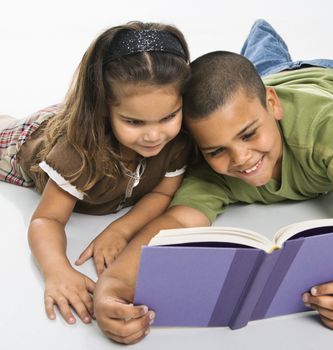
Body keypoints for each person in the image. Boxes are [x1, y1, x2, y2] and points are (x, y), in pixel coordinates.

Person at [93, 19, 333, 344]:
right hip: (272, 80)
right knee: (262, 71)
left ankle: (266, 44)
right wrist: (113, 285)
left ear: (273, 106)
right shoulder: (212, 162)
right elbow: (177, 221)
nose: (240, 159)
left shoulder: (329, 128)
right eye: (216, 150)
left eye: (249, 134)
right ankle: (263, 35)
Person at [0, 21, 192, 325]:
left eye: (168, 116)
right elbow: (46, 219)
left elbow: (162, 192)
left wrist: (120, 229)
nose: (154, 135)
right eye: (135, 122)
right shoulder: (79, 153)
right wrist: (58, 271)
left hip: (68, 118)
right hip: (24, 145)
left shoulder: (178, 139)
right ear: (104, 108)